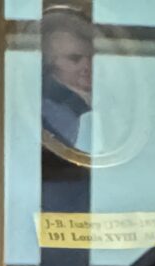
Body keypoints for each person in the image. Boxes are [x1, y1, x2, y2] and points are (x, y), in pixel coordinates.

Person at [40, 10, 95, 157]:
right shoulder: (50, 114)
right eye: (75, 59)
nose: (87, 66)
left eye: (92, 57)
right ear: (51, 63)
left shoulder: (110, 102)